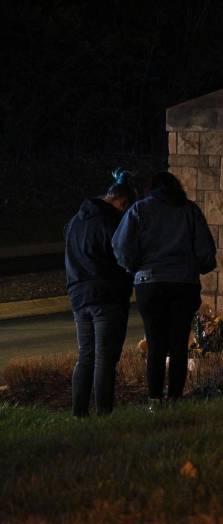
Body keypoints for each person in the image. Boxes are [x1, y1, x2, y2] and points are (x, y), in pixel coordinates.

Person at [112, 171, 216, 407]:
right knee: (179, 343)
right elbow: (205, 250)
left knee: (156, 342)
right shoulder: (189, 210)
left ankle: (154, 399)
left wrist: (134, 266)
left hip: (150, 284)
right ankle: (175, 398)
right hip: (184, 284)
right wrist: (199, 266)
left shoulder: (139, 210)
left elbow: (120, 246)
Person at [64, 169, 139, 417]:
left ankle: (79, 414)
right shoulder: (112, 223)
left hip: (79, 295)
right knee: (105, 358)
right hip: (107, 297)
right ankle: (104, 414)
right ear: (123, 203)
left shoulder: (76, 220)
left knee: (86, 355)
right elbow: (124, 258)